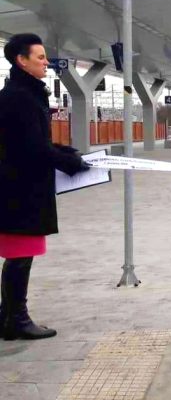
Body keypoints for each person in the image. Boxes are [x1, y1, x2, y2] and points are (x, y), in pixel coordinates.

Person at [0, 33, 88, 340]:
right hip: (20, 189)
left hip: (22, 186)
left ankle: (7, 317)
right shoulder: (19, 97)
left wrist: (64, 151)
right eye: (40, 57)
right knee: (20, 253)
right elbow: (31, 148)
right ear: (21, 60)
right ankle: (16, 319)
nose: (46, 62)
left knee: (19, 252)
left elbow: (37, 141)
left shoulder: (25, 93)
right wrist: (70, 163)